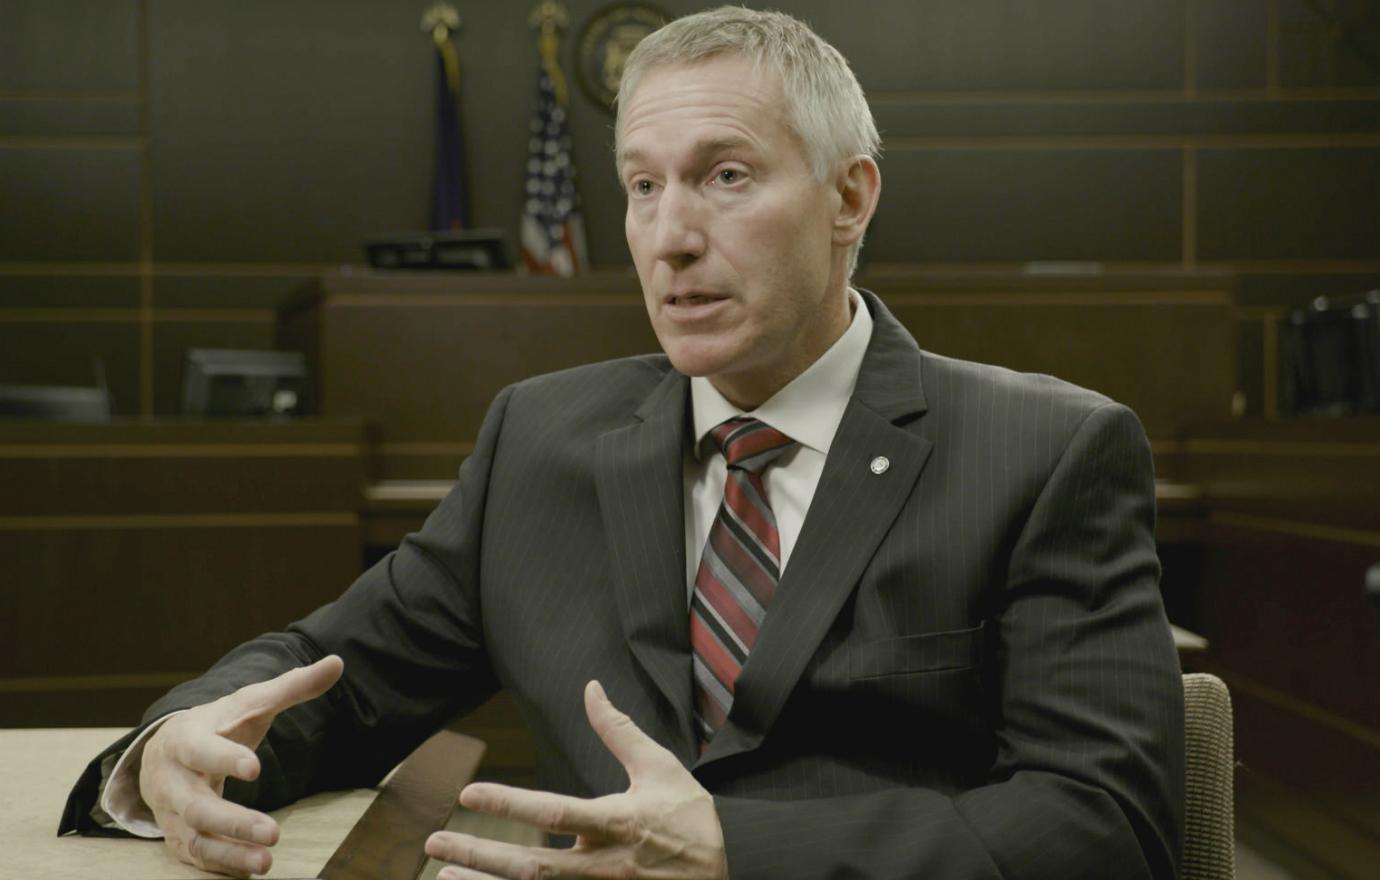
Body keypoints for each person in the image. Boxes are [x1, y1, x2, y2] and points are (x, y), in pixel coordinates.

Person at [61, 7, 1184, 879]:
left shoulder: (1047, 451)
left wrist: (739, 853)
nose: (670, 237)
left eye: (725, 177)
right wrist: (171, 749)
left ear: (851, 197)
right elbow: (342, 678)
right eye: (643, 187)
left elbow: (1105, 827)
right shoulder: (540, 439)